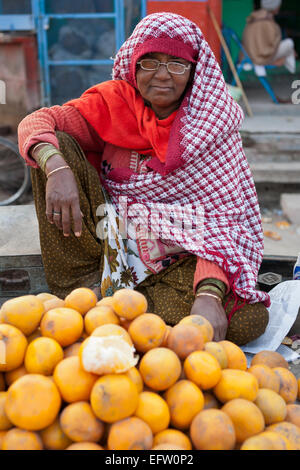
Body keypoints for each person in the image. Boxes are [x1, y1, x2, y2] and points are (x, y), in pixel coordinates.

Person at [18, 12, 270, 345]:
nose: (163, 76)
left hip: (178, 259)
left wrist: (208, 296)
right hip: (107, 241)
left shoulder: (213, 128)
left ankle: (115, 307)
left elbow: (222, 226)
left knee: (250, 318)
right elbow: (37, 122)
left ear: (194, 71)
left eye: (177, 64)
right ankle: (80, 290)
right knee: (56, 146)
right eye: (150, 62)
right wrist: (57, 169)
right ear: (134, 65)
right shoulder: (113, 105)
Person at [242, 0, 297, 75]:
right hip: (261, 57)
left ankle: (289, 63)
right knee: (289, 43)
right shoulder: (266, 21)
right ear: (274, 7)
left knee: (289, 50)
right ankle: (291, 69)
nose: (279, 7)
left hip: (251, 54)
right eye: (278, 5)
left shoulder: (254, 17)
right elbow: (271, 44)